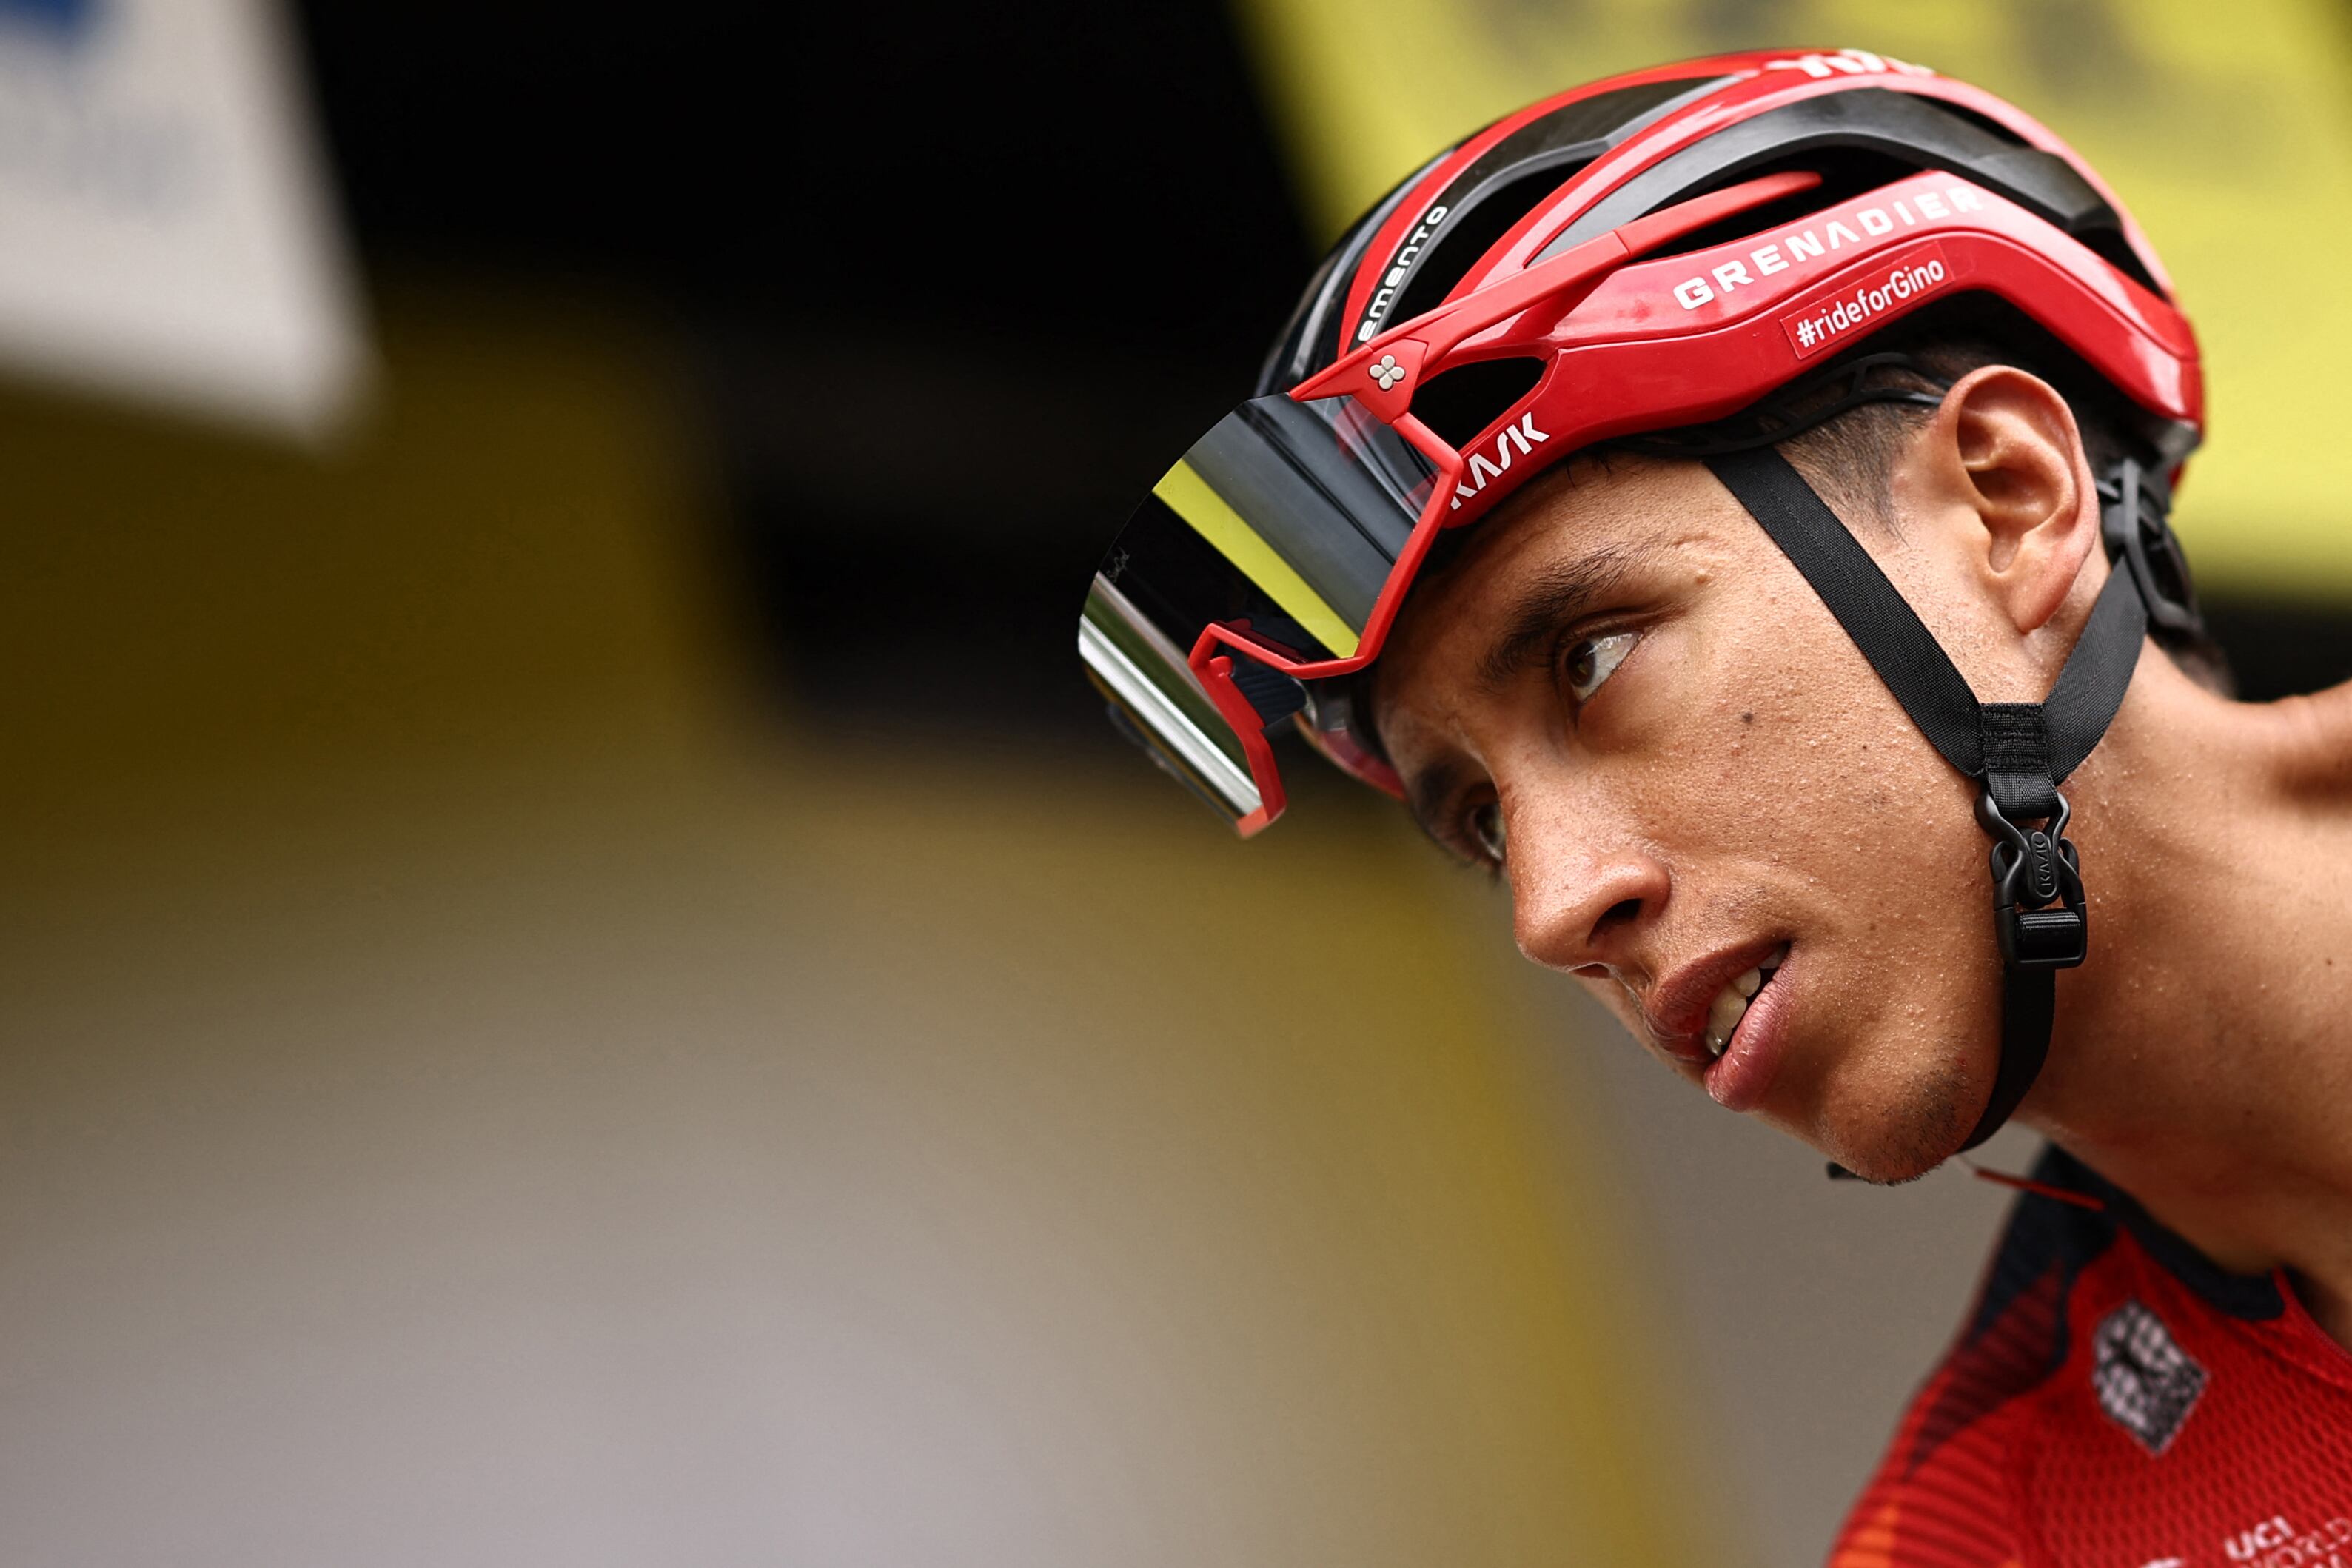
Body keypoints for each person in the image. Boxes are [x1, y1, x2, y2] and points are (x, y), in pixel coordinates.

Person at [1077, 47, 2352, 1562]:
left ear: (2007, 503)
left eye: (1592, 657)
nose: (1552, 908)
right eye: (1477, 818)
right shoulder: (1985, 1532)